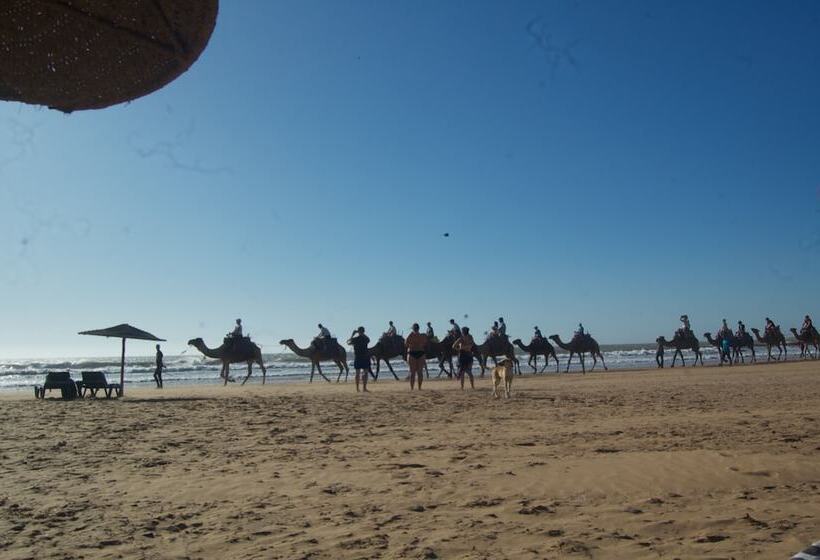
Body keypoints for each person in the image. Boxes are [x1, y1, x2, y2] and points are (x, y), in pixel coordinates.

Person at [347, 327, 371, 393]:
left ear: (358, 331)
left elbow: (348, 342)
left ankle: (357, 388)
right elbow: (369, 339)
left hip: (358, 357)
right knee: (365, 372)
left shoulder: (355, 339)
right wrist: (361, 333)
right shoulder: (365, 338)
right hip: (365, 357)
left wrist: (352, 334)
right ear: (364, 331)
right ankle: (364, 388)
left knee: (357, 373)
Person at [405, 323, 428, 390]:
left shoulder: (411, 335)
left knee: (413, 372)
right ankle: (418, 388)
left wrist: (412, 345)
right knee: (419, 372)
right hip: (419, 353)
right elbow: (425, 343)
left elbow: (406, 344)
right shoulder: (422, 336)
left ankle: (413, 388)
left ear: (413, 329)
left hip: (413, 352)